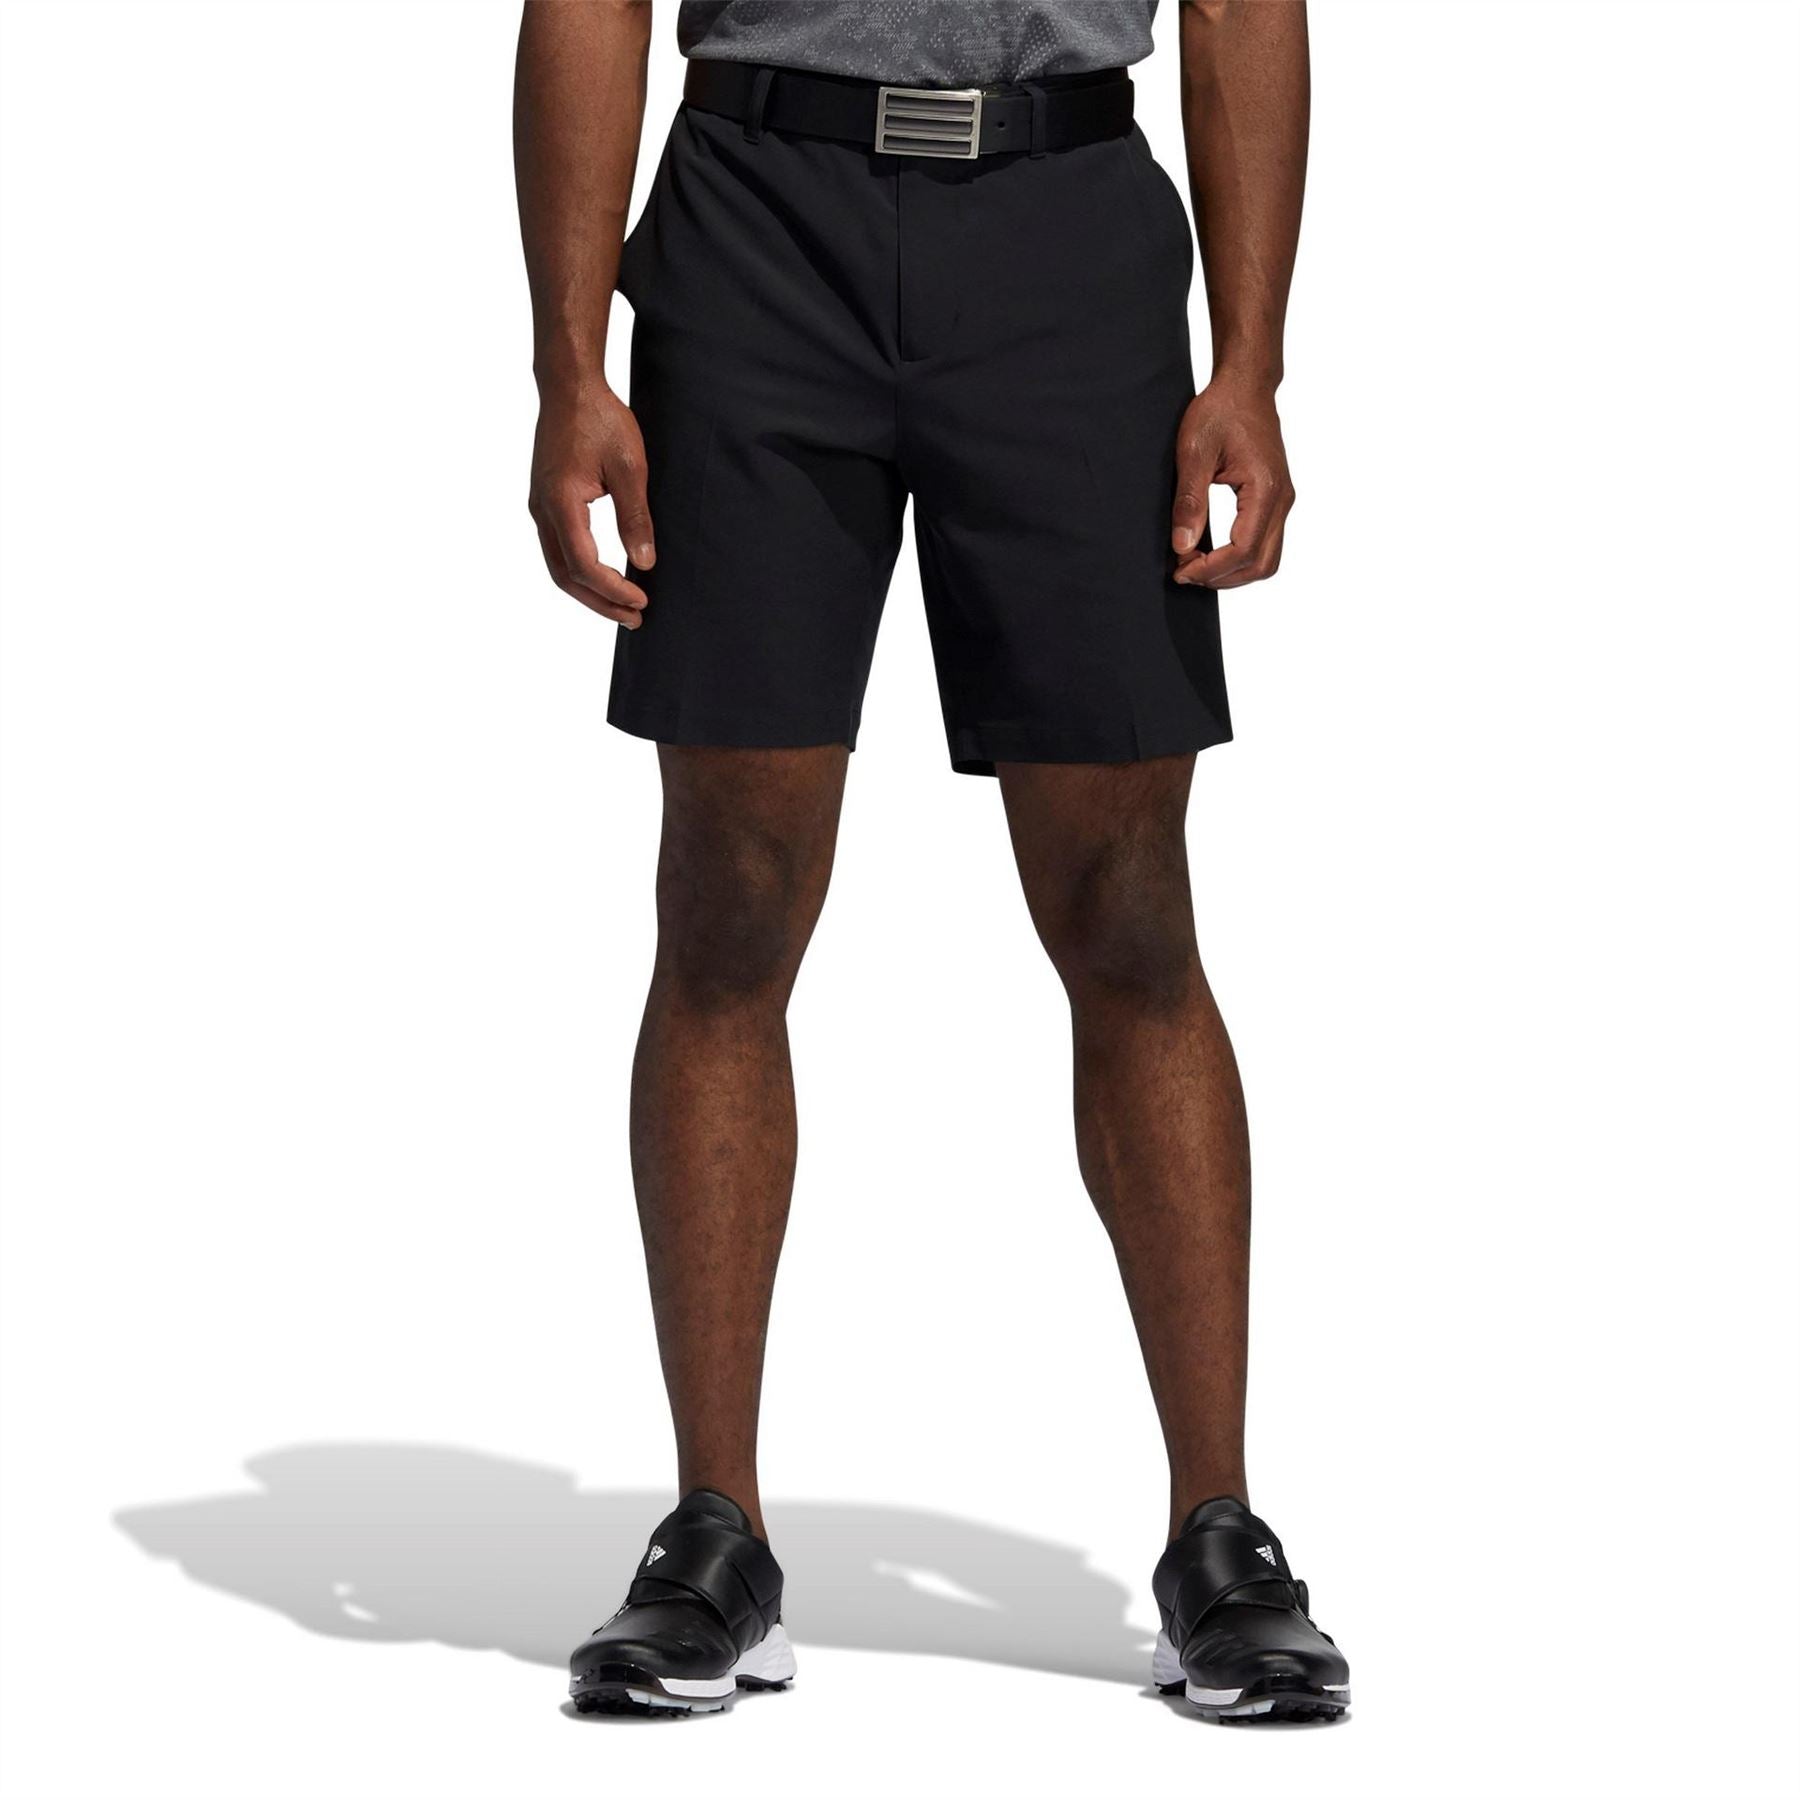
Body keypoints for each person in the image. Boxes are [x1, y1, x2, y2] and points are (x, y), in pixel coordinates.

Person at [515, 0, 1348, 1723]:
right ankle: (716, 1535)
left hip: (1066, 228)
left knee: (1128, 909)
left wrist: (1252, 364)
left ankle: (1220, 1535)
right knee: (730, 898)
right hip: (757, 222)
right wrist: (569, 370)